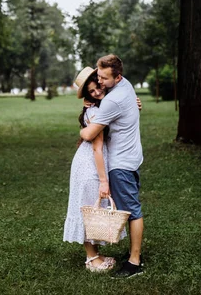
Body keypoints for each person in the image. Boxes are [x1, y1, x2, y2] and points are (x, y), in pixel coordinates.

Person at [80, 54, 144, 279]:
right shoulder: (127, 87)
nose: (100, 81)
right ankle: (134, 254)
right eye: (98, 75)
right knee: (132, 208)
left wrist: (81, 129)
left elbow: (89, 134)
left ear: (118, 77)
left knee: (132, 211)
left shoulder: (111, 101)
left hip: (120, 163)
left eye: (104, 78)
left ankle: (134, 262)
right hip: (133, 157)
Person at [63, 66, 120, 272]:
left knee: (93, 208)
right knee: (89, 209)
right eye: (91, 91)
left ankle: (95, 253)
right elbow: (97, 148)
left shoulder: (100, 106)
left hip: (90, 162)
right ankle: (91, 258)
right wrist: (104, 180)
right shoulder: (95, 111)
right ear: (87, 95)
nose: (97, 92)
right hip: (90, 165)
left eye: (98, 87)